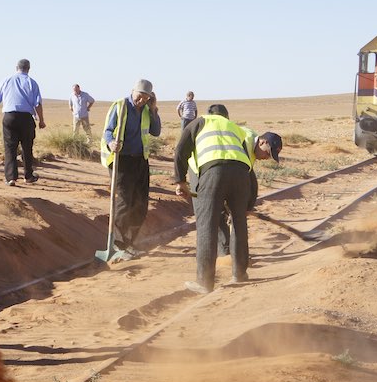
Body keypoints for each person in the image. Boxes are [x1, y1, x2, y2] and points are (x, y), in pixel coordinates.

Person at [173, 104, 264, 293]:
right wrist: (249, 202)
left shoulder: (200, 122)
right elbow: (249, 166)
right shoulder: (235, 128)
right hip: (241, 175)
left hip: (213, 173)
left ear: (209, 114)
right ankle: (239, 274)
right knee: (239, 222)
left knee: (207, 224)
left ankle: (204, 282)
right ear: (226, 116)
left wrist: (180, 181)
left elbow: (181, 150)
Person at [207, 105, 282, 258]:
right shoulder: (245, 143)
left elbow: (249, 178)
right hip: (212, 169)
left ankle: (232, 253)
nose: (266, 158)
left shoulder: (251, 144)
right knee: (219, 211)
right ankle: (225, 253)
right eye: (268, 154)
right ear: (262, 142)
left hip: (226, 171)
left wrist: (249, 205)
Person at [100, 79, 161, 258]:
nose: (141, 100)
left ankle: (129, 242)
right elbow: (108, 130)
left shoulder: (148, 110)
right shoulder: (120, 106)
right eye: (139, 96)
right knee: (124, 201)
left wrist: (153, 109)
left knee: (140, 203)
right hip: (121, 160)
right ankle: (118, 245)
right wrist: (111, 143)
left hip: (140, 160)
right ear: (132, 91)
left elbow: (156, 131)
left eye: (145, 98)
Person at [0, 59, 46, 186]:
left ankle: (11, 177)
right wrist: (41, 120)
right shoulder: (32, 83)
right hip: (26, 118)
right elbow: (37, 103)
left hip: (10, 116)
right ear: (29, 68)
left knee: (10, 147)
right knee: (27, 147)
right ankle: (28, 176)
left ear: (16, 67)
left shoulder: (6, 80)